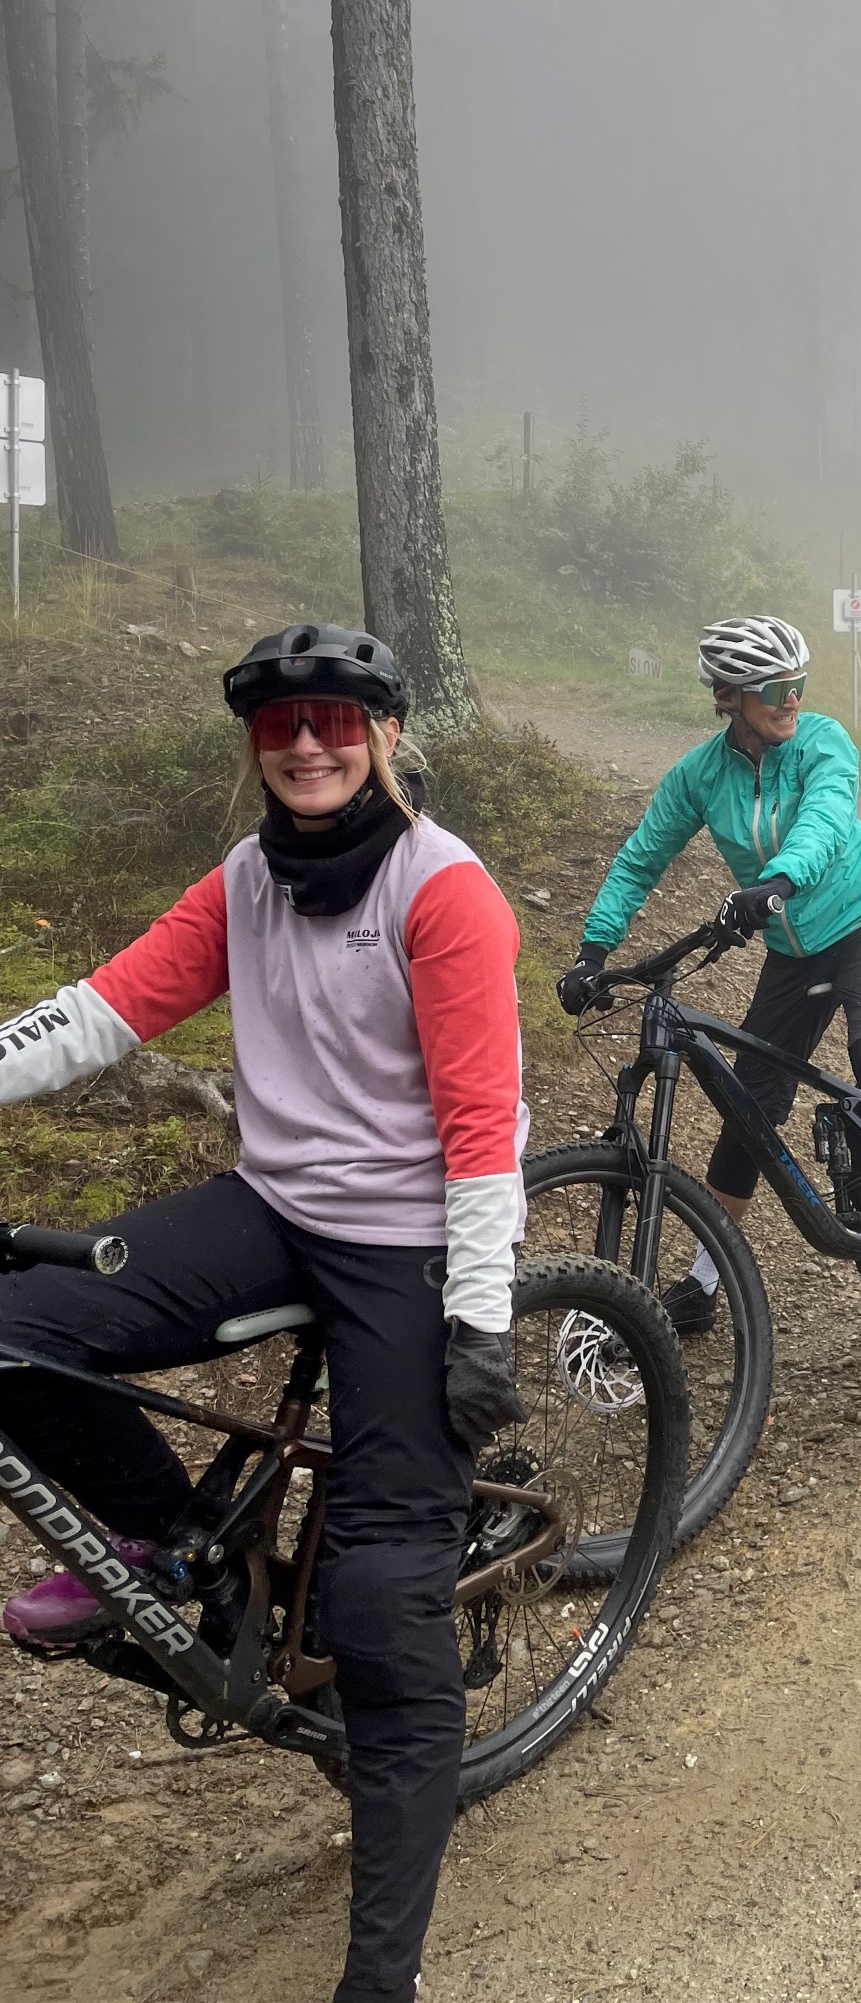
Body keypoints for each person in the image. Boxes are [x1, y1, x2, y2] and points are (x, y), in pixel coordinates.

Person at [0, 624, 527, 2003]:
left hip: (409, 1236)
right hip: (275, 1203)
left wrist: (480, 1320)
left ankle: (381, 1978)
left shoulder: (444, 890)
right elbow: (101, 1011)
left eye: (336, 720)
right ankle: (195, 1554)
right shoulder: (248, 878)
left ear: (387, 735)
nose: (305, 743)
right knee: (19, 1327)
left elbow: (482, 1130)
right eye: (280, 723)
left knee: (381, 1604)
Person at [556, 615, 861, 1332]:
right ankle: (704, 1283)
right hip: (795, 953)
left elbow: (824, 822)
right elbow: (641, 859)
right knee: (747, 1102)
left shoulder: (823, 742)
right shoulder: (700, 775)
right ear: (728, 696)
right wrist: (593, 952)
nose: (792, 699)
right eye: (775, 688)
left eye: (797, 683)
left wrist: (776, 882)